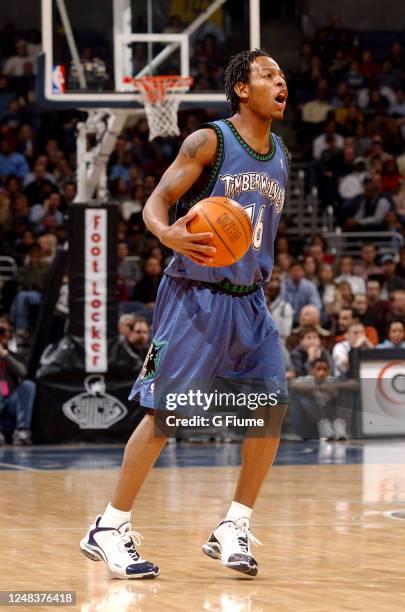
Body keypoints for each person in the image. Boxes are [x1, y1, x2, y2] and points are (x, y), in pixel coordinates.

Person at [80, 49, 289, 579]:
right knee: (167, 415)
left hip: (250, 301)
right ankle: (110, 526)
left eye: (282, 76)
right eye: (268, 75)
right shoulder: (209, 140)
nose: (280, 81)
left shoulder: (281, 153)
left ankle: (233, 526)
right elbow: (157, 200)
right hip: (196, 296)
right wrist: (166, 232)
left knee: (271, 409)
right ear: (242, 88)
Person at [0, 318, 36, 445]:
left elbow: (23, 373)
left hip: (10, 401)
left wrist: (4, 355)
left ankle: (22, 431)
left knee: (28, 385)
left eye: (3, 331)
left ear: (9, 335)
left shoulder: (14, 355)